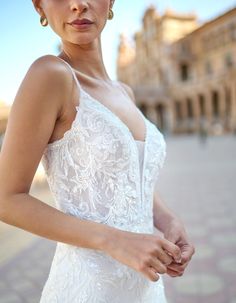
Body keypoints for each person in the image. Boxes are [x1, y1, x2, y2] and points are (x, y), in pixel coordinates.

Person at [0, 0, 195, 302]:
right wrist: (114, 241)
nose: (78, 4)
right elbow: (6, 199)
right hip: (88, 288)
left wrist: (168, 220)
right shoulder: (50, 75)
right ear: (40, 7)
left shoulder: (124, 91)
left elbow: (131, 176)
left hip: (145, 285)